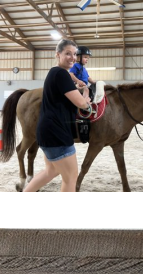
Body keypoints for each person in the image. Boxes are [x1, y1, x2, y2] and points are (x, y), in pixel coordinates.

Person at [23, 39, 92, 192]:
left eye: (74, 54)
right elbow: (81, 103)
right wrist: (86, 95)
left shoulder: (56, 72)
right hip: (57, 133)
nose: (72, 57)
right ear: (58, 54)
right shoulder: (61, 74)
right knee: (71, 177)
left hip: (48, 132)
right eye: (68, 53)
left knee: (51, 171)